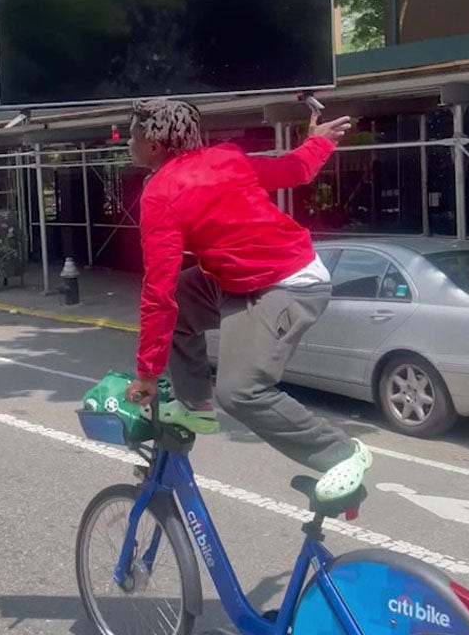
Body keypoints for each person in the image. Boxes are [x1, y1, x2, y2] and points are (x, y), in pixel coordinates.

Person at [122, 98, 372, 502]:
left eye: (131, 135)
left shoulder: (160, 194)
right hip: (238, 280)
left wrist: (147, 373)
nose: (127, 143)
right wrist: (318, 143)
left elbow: (157, 290)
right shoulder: (227, 158)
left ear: (153, 145)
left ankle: (341, 454)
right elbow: (293, 169)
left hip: (289, 284)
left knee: (240, 391)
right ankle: (195, 406)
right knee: (185, 297)